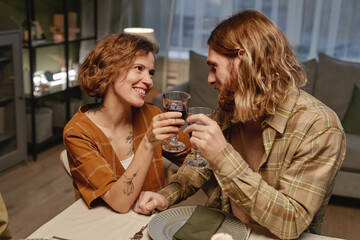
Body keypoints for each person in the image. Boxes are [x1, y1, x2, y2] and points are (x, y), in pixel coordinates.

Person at [133, 10, 346, 239]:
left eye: (214, 67)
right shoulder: (233, 106)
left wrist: (222, 154)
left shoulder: (320, 126)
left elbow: (290, 222)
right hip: (223, 231)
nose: (209, 79)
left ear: (242, 60)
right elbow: (200, 165)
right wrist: (167, 195)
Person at [63, 33, 190, 213]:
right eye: (138, 68)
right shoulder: (78, 132)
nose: (149, 81)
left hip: (151, 223)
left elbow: (195, 161)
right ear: (110, 69)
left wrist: (170, 192)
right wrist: (148, 143)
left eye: (150, 72)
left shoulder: (151, 115)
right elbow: (119, 203)